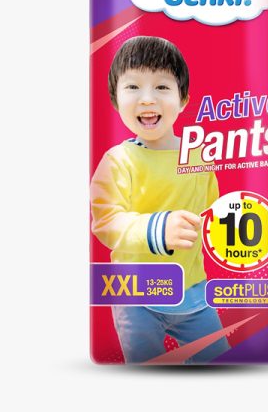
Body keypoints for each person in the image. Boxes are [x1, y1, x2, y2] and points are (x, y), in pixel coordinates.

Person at [91, 36, 229, 363]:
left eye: (162, 87)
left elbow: (210, 209)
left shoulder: (198, 155)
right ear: (115, 100)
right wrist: (158, 229)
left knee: (219, 360)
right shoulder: (117, 161)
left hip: (193, 291)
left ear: (183, 100)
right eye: (133, 87)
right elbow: (106, 222)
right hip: (135, 293)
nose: (147, 99)